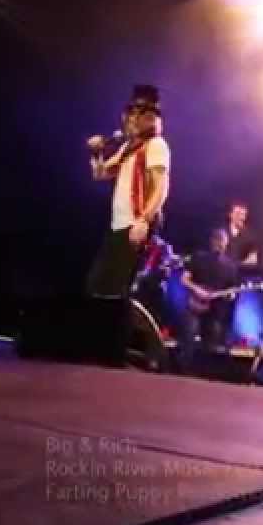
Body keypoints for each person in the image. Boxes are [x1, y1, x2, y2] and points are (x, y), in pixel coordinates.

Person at [85, 85, 171, 366]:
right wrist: (97, 152)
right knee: (100, 286)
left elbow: (161, 188)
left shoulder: (155, 146)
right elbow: (101, 174)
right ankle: (105, 348)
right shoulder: (128, 148)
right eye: (130, 114)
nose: (130, 120)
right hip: (118, 227)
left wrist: (143, 220)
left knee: (120, 291)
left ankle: (124, 354)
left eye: (137, 114)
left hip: (135, 225)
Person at [179, 228, 240, 371]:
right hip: (195, 307)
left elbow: (232, 290)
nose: (219, 244)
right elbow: (184, 279)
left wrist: (230, 295)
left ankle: (202, 373)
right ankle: (182, 370)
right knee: (188, 338)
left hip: (214, 311)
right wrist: (197, 290)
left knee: (210, 345)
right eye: (217, 240)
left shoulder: (230, 266)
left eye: (222, 241)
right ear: (211, 241)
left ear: (226, 243)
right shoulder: (198, 258)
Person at [224, 200, 258, 267]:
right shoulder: (221, 232)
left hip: (240, 271)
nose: (241, 218)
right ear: (230, 214)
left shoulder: (250, 236)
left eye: (243, 215)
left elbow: (252, 261)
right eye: (238, 214)